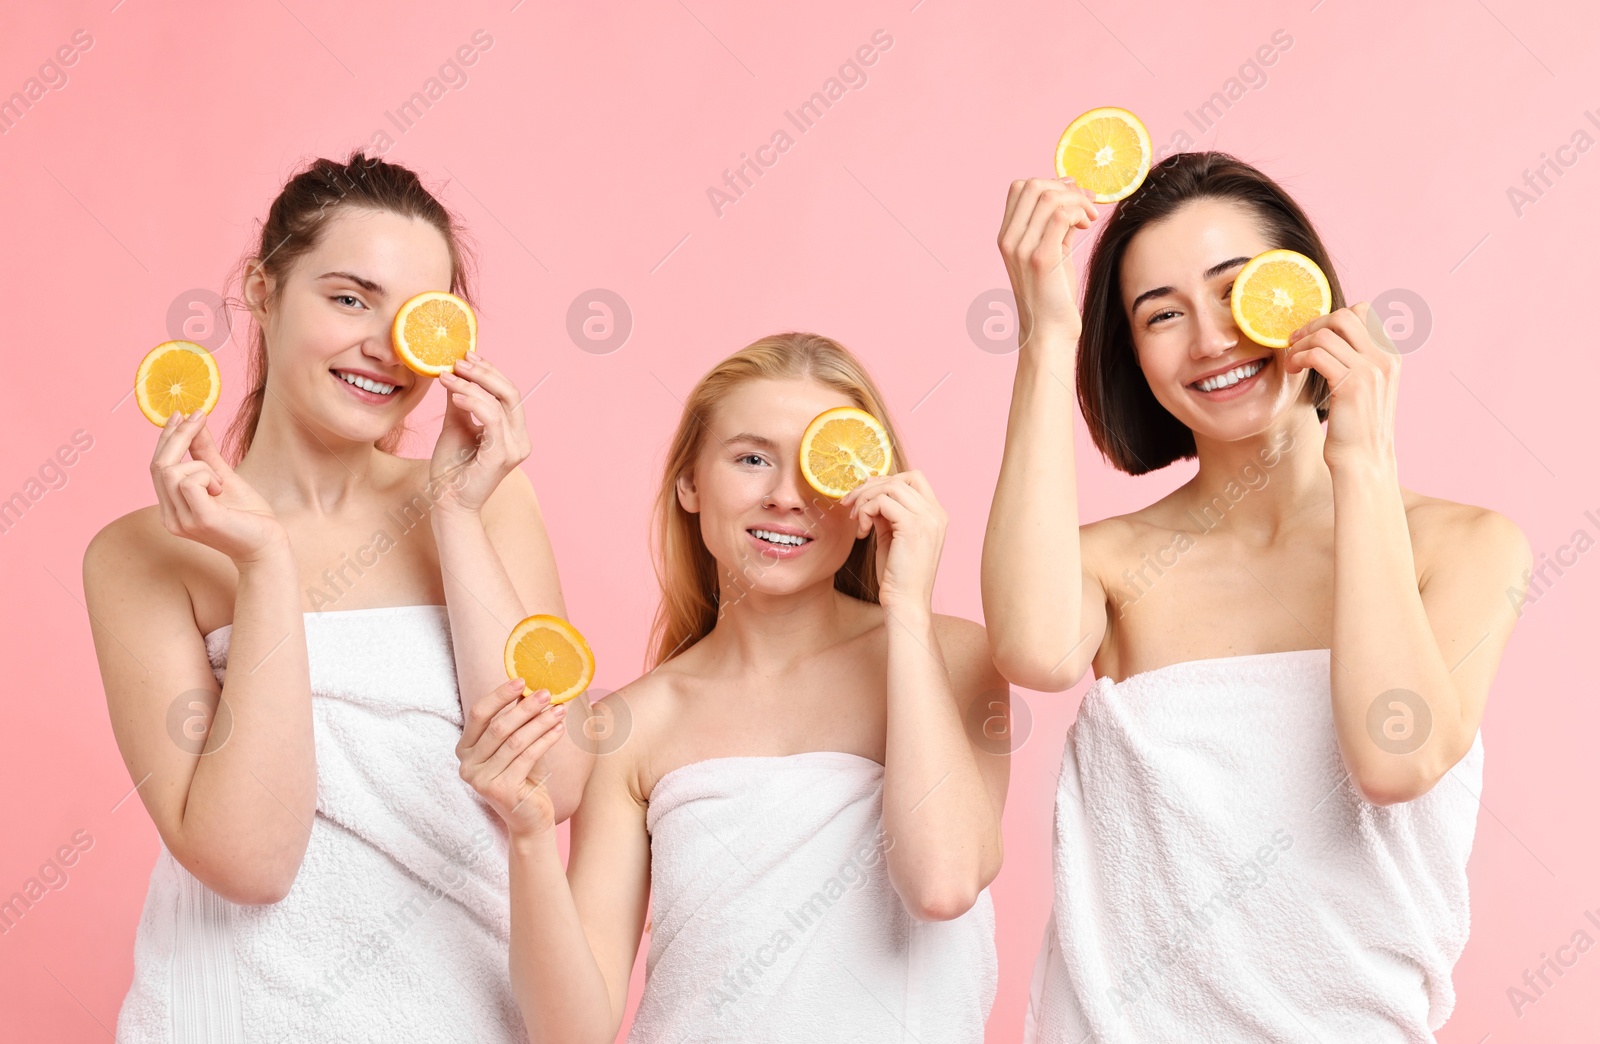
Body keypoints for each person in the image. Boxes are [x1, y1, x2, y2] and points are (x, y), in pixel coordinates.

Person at [981, 153, 1532, 1042]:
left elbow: (1395, 760)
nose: (1210, 341)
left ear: (1307, 294)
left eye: (1237, 290)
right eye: (1161, 314)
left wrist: (1361, 459)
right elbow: (1033, 650)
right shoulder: (1114, 566)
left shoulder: (1465, 547)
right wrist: (1046, 335)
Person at [84, 151, 590, 1042]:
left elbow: (556, 778)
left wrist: (456, 515)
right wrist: (266, 567)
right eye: (350, 298)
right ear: (263, 290)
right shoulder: (143, 556)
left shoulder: (486, 498)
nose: (385, 346)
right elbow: (249, 858)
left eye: (418, 318)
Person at [457, 332, 1007, 1043]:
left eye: (824, 463)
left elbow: (943, 883)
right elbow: (572, 1031)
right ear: (690, 482)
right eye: (751, 459)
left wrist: (908, 607)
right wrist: (530, 835)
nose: (786, 497)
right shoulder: (633, 726)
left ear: (869, 489)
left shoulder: (955, 657)